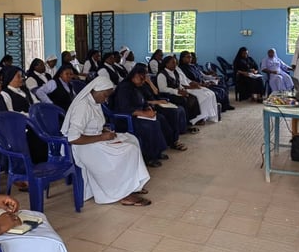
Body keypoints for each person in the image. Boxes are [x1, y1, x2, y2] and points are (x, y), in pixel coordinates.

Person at [60, 76, 151, 206]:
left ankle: (132, 185)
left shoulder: (95, 103)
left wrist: (103, 131)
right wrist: (101, 137)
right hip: (84, 146)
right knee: (129, 150)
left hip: (95, 139)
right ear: (97, 91)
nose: (106, 99)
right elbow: (73, 138)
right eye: (105, 95)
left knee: (132, 140)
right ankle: (122, 193)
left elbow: (92, 125)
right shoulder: (83, 106)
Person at [112, 65, 169, 167]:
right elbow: (125, 108)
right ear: (135, 75)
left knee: (160, 118)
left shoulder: (135, 86)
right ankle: (148, 157)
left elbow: (142, 101)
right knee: (150, 125)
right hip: (126, 118)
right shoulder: (124, 87)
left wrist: (147, 108)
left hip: (137, 114)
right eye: (141, 79)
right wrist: (144, 114)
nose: (143, 82)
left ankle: (157, 151)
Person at [157, 55, 201, 127]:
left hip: (177, 92)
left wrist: (183, 90)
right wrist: (177, 92)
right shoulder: (162, 74)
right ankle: (185, 123)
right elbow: (163, 89)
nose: (175, 65)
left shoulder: (175, 72)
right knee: (183, 100)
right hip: (167, 95)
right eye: (173, 63)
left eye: (176, 63)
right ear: (166, 64)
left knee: (193, 98)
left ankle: (192, 119)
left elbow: (178, 84)